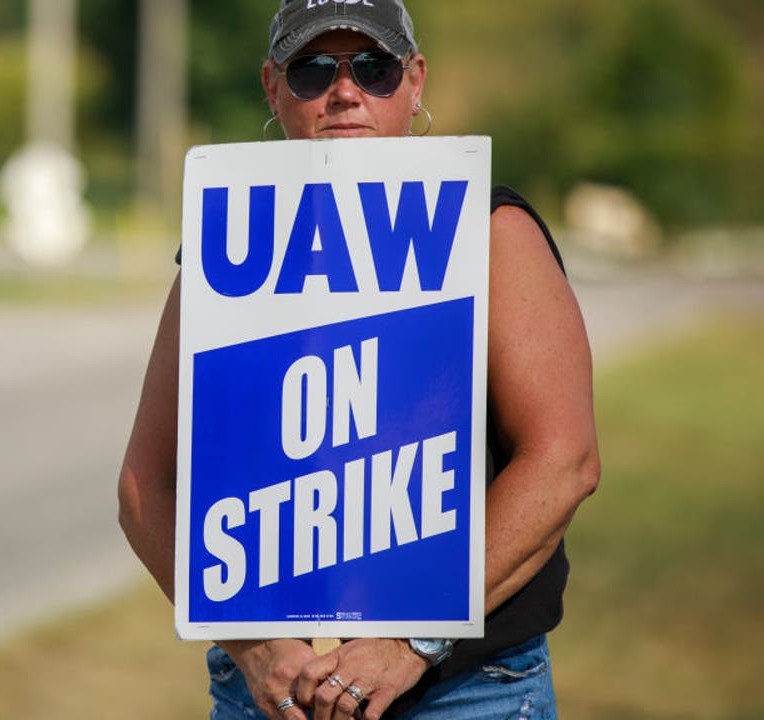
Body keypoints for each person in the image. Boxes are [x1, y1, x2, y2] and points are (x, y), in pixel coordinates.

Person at [116, 2, 601, 719]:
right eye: (313, 71)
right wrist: (253, 646)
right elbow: (143, 489)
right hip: (269, 695)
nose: (344, 92)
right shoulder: (226, 243)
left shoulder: (489, 230)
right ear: (273, 88)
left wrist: (409, 642)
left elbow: (564, 462)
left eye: (373, 68)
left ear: (415, 80)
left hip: (463, 695)